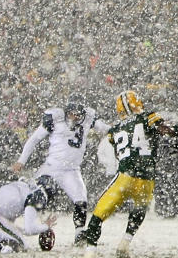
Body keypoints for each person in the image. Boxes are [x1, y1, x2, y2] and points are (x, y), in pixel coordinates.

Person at [78, 90, 178, 258]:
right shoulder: (147, 117)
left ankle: (90, 252)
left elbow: (120, 151)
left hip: (125, 176)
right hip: (146, 178)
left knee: (98, 215)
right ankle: (125, 242)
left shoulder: (114, 130)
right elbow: (172, 131)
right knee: (139, 210)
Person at [11, 93, 109, 244]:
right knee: (34, 195)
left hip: (72, 170)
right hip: (51, 167)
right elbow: (34, 139)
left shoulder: (89, 118)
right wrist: (21, 160)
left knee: (81, 199)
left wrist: (120, 129)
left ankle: (79, 234)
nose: (74, 117)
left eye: (77, 114)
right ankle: (18, 224)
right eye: (71, 113)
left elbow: (104, 128)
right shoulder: (55, 118)